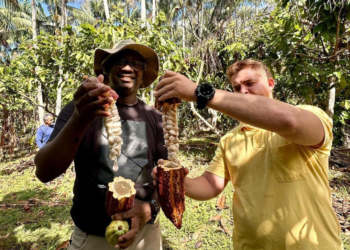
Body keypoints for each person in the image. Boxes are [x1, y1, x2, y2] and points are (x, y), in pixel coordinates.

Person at [153, 59, 342, 250]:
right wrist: (176, 181)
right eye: (237, 87)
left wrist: (201, 93)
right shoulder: (230, 139)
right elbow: (211, 185)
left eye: (250, 84)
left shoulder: (308, 115)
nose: (243, 91)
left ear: (270, 83)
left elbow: (290, 121)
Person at [35, 39, 167, 250]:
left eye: (136, 64)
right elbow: (44, 172)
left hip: (146, 234)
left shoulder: (154, 117)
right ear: (105, 68)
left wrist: (150, 208)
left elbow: (165, 175)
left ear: (143, 74)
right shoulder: (81, 108)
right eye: (119, 61)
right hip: (94, 237)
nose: (127, 67)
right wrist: (80, 118)